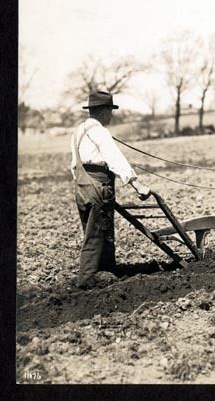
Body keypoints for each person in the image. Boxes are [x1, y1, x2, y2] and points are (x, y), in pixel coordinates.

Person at [70, 90, 151, 289]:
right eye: (110, 110)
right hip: (99, 185)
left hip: (81, 185)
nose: (111, 115)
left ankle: (105, 271)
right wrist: (136, 184)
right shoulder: (100, 132)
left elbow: (73, 164)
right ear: (104, 110)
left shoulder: (79, 131)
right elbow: (115, 160)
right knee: (97, 231)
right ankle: (87, 279)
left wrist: (83, 182)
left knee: (97, 229)